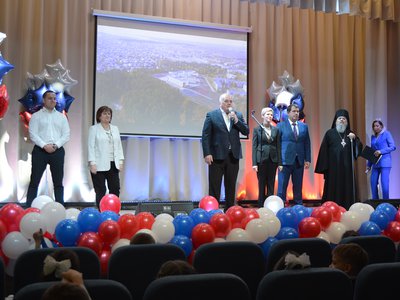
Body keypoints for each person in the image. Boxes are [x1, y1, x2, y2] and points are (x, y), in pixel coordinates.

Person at [201, 93, 249, 210]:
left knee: (231, 186)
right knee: (215, 186)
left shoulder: (237, 115)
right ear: (221, 103)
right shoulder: (212, 115)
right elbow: (205, 136)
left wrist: (237, 121)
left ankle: (229, 211)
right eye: (226, 101)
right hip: (216, 156)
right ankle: (213, 212)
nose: (229, 103)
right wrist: (207, 153)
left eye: (231, 101)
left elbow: (246, 131)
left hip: (233, 156)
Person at [27, 90, 70, 206]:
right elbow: (32, 134)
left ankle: (60, 207)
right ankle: (29, 209)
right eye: (50, 98)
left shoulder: (61, 117)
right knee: (34, 181)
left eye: (54, 98)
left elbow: (66, 134)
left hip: (57, 151)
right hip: (40, 151)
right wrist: (44, 145)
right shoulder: (36, 116)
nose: (53, 101)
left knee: (58, 182)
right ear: (44, 100)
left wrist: (55, 145)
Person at [315, 109, 363, 210]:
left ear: (347, 121)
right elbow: (324, 151)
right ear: (336, 121)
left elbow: (358, 148)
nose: (341, 120)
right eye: (340, 118)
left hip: (347, 170)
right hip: (333, 169)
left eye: (344, 119)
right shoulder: (329, 133)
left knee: (347, 187)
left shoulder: (350, 134)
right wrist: (325, 168)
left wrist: (354, 139)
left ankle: (347, 208)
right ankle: (331, 209)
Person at [88, 106, 124, 207]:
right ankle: (101, 211)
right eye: (104, 113)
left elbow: (119, 145)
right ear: (99, 116)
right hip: (98, 164)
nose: (107, 115)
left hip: (113, 163)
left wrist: (121, 161)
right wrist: (92, 163)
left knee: (115, 188)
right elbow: (91, 146)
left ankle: (114, 209)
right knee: (100, 190)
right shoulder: (94, 129)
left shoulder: (115, 129)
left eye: (109, 114)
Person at [277, 103, 311, 205]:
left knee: (298, 186)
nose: (296, 113)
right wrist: (278, 162)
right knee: (282, 187)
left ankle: (298, 207)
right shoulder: (280, 126)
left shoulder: (304, 126)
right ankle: (280, 206)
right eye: (294, 111)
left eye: (297, 111)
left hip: (299, 161)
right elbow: (277, 145)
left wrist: (307, 159)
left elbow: (307, 143)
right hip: (284, 161)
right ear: (288, 113)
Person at [252, 107, 282, 207]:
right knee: (261, 184)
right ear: (262, 116)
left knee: (271, 183)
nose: (270, 116)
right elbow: (254, 147)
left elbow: (278, 146)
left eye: (271, 115)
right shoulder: (257, 130)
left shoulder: (276, 130)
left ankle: (270, 205)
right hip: (261, 159)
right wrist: (254, 163)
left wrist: (280, 163)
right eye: (267, 114)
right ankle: (261, 205)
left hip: (273, 160)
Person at [366, 119, 396, 199]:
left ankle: (386, 202)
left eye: (377, 126)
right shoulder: (373, 137)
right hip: (375, 163)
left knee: (384, 184)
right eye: (374, 126)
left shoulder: (386, 134)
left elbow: (393, 147)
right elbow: (372, 152)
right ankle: (375, 202)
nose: (375, 127)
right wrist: (369, 165)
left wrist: (381, 151)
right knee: (373, 182)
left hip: (385, 162)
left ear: (381, 126)